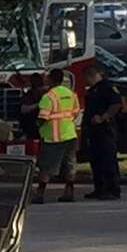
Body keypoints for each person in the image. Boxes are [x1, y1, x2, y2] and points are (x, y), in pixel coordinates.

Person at [33, 69, 80, 204]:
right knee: (69, 164)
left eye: (47, 78)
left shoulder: (49, 97)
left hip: (53, 138)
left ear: (51, 80)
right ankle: (69, 192)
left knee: (46, 166)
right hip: (70, 134)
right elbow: (75, 112)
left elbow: (43, 117)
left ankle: (40, 194)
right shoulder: (71, 94)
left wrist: (37, 125)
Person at [82, 65, 122, 200]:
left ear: (91, 76)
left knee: (108, 160)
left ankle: (113, 189)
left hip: (105, 130)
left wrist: (103, 117)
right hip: (94, 131)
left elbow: (116, 104)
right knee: (96, 161)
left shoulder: (107, 88)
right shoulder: (93, 90)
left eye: (87, 78)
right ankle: (100, 189)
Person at [19, 72, 47, 140]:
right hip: (35, 124)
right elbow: (23, 109)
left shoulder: (47, 93)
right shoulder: (31, 93)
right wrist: (37, 105)